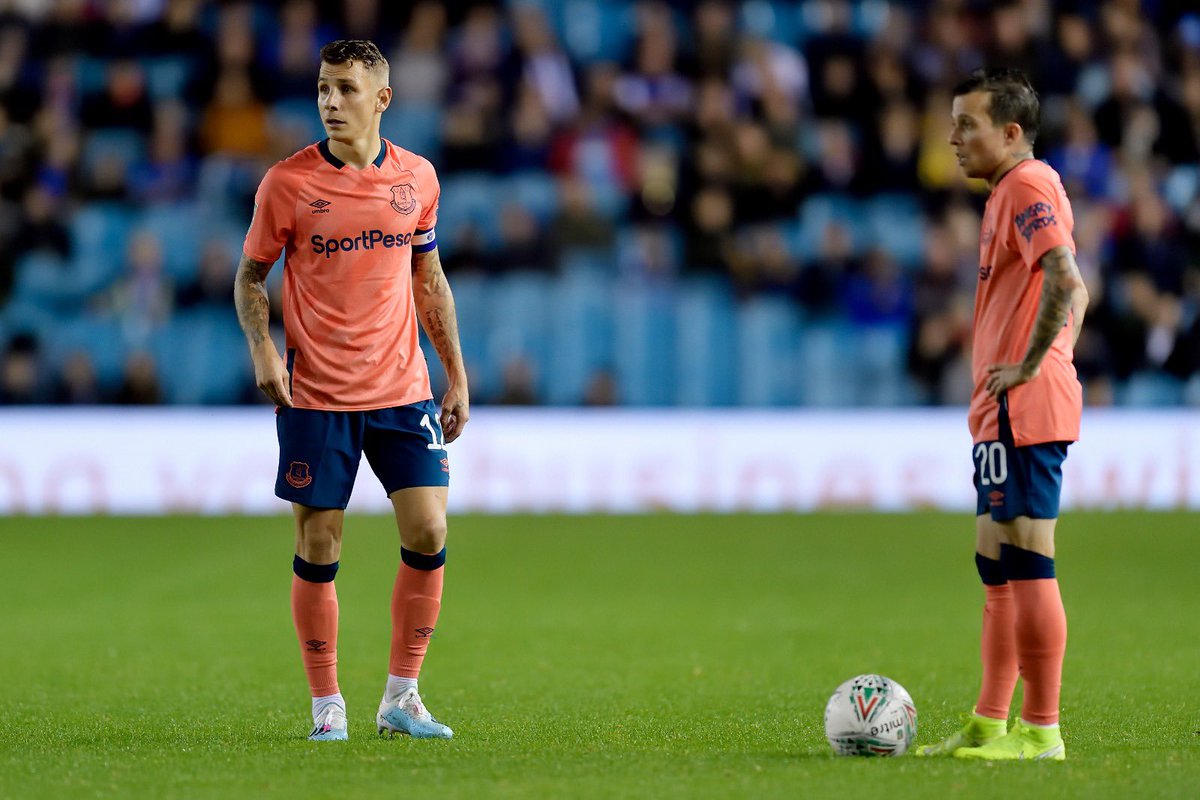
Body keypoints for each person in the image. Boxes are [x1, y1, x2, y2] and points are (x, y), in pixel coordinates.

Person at [234, 39, 469, 742]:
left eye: (345, 89)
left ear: (382, 99)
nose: (331, 102)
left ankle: (402, 696)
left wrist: (455, 372)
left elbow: (428, 280)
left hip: (403, 389)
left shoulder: (418, 180)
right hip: (317, 396)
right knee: (320, 541)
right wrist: (262, 349)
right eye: (323, 89)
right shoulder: (287, 183)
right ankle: (326, 703)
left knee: (429, 529)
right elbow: (249, 279)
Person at [916, 68, 1088, 761]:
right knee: (995, 562)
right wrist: (1051, 346)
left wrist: (1030, 364)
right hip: (997, 411)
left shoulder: (1027, 184)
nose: (953, 138)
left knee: (1026, 556)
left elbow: (1066, 278)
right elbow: (1078, 294)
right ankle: (990, 720)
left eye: (968, 125)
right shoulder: (1004, 196)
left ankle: (1041, 730)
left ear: (1010, 132)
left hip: (1023, 405)